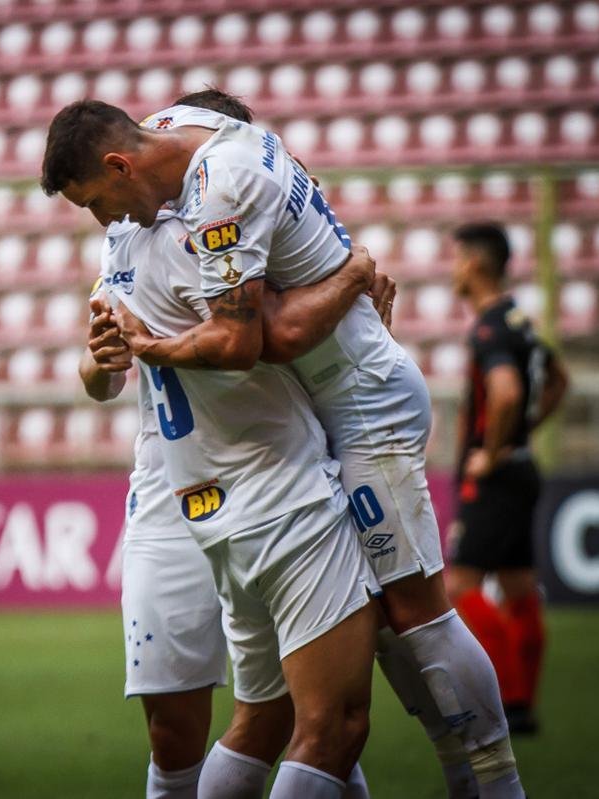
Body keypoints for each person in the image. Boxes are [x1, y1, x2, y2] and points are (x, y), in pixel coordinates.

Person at [43, 93, 526, 797]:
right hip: (301, 429)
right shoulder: (188, 144)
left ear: (121, 162)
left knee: (413, 618)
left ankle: (487, 779)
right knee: (341, 678)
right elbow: (277, 177)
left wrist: (346, 270)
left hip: (362, 403)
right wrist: (350, 268)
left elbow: (265, 338)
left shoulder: (217, 183)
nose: (103, 219)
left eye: (96, 200)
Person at [81, 239, 384, 798]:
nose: (100, 211)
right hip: (165, 493)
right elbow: (99, 378)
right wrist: (100, 363)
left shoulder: (237, 214)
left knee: (304, 710)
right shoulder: (126, 235)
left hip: (268, 476)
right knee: (173, 729)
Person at [446, 222, 569, 735]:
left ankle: (501, 699)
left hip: (498, 477)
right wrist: (521, 438)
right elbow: (559, 381)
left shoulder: (490, 327)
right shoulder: (520, 321)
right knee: (518, 587)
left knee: (459, 586)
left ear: (474, 263)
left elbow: (507, 393)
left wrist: (491, 454)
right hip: (524, 469)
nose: (452, 269)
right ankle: (521, 706)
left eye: (456, 259)